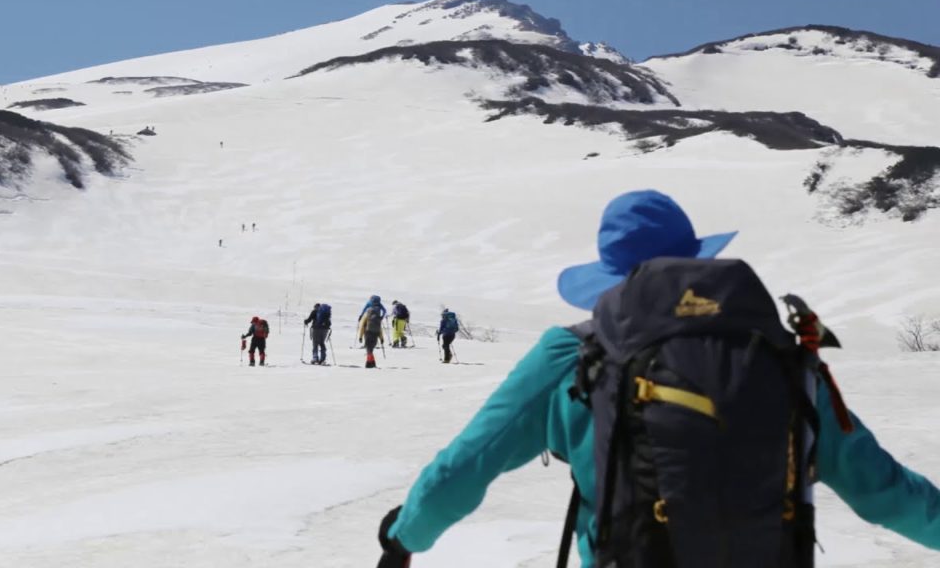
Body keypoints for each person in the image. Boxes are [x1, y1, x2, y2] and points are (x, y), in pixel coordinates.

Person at [374, 190, 940, 568]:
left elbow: (467, 464)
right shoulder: (775, 354)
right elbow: (884, 491)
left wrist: (404, 537)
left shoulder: (571, 353)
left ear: (610, 279)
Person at [358, 303, 385, 368]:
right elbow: (380, 328)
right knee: (370, 349)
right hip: (375, 333)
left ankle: (369, 363)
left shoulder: (366, 315)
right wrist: (381, 338)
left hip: (368, 333)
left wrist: (360, 336)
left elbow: (362, 326)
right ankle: (372, 363)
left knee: (369, 349)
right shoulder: (377, 316)